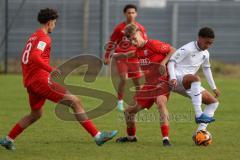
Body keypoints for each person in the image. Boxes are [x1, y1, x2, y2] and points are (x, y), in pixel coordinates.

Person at [0, 8, 117, 150]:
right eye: (54, 22)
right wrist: (51, 70)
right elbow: (34, 57)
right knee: (75, 101)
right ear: (49, 22)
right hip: (40, 80)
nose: (54, 25)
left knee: (36, 114)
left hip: (31, 82)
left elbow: (27, 58)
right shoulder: (44, 38)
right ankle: (98, 136)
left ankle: (8, 139)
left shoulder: (33, 36)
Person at [114, 24, 175, 146]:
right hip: (148, 86)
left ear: (139, 33)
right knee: (128, 112)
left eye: (134, 38)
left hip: (162, 82)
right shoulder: (138, 51)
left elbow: (172, 50)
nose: (133, 41)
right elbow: (130, 55)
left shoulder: (153, 44)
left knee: (160, 103)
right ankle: (131, 137)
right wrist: (117, 55)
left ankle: (165, 139)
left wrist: (163, 62)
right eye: (130, 40)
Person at [167, 27, 221, 132]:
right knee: (196, 78)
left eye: (210, 43)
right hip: (177, 80)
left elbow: (206, 69)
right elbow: (171, 62)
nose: (208, 46)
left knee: (213, 102)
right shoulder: (187, 48)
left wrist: (214, 88)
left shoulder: (206, 53)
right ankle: (198, 114)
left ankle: (200, 132)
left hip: (191, 84)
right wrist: (172, 77)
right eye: (206, 42)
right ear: (200, 38)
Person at [104, 4, 148, 111]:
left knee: (138, 82)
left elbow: (144, 43)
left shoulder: (140, 28)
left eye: (133, 13)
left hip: (134, 57)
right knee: (123, 79)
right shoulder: (119, 28)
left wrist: (145, 57)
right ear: (125, 14)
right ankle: (120, 102)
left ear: (136, 14)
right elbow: (111, 42)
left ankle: (141, 102)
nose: (131, 15)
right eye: (129, 13)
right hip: (122, 58)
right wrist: (107, 56)